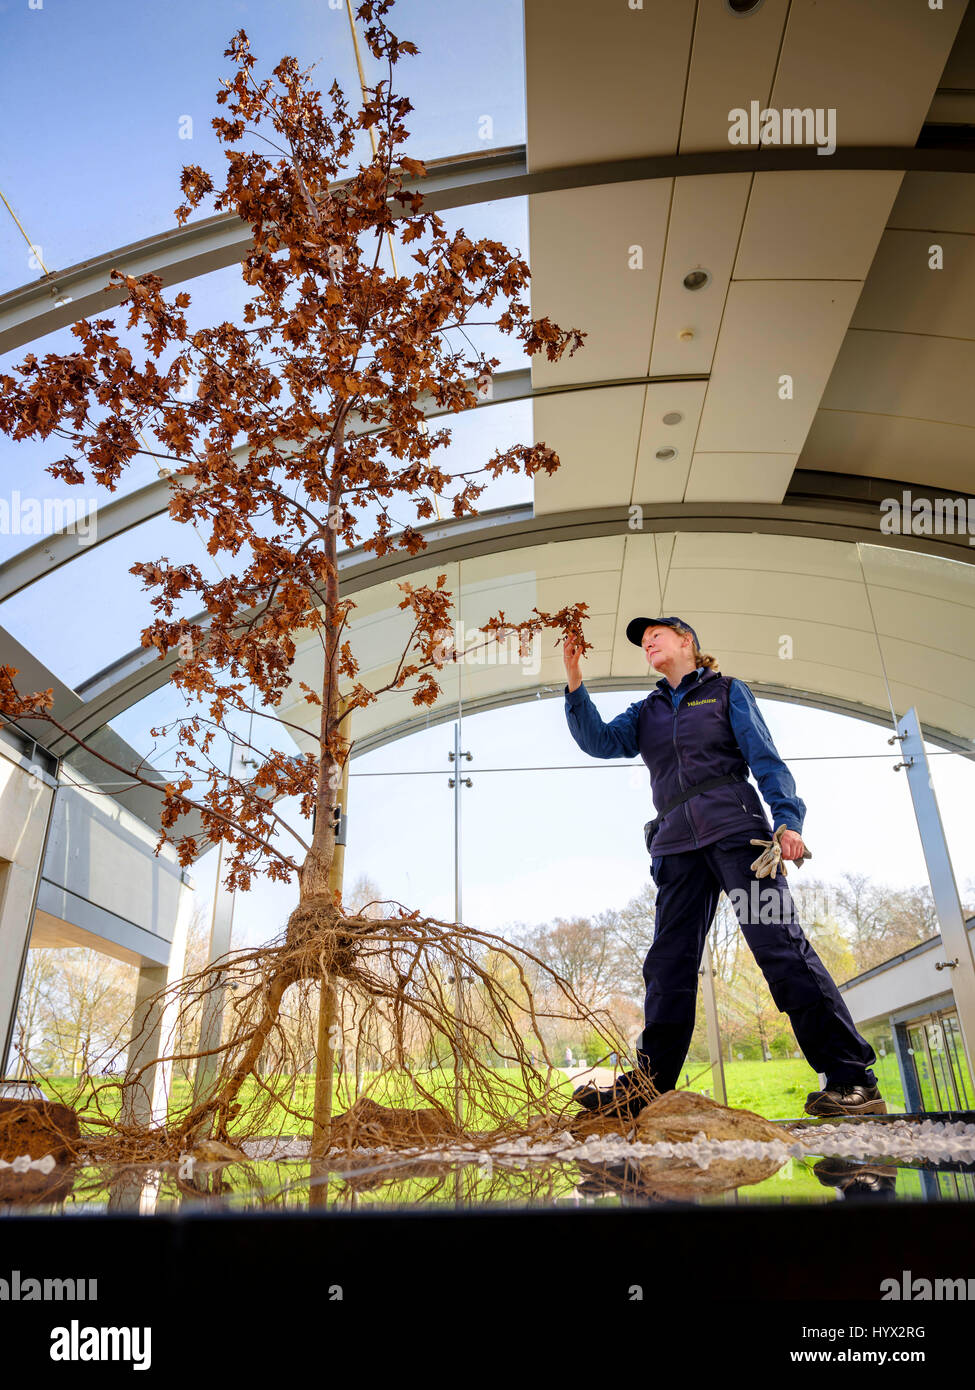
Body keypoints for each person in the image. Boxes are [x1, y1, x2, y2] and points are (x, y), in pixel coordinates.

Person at [562, 615, 884, 1120]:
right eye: (642, 641)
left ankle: (851, 1079)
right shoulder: (644, 711)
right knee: (667, 967)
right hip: (675, 850)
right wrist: (574, 682)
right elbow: (599, 741)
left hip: (741, 839)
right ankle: (646, 1088)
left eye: (656, 635)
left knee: (780, 948)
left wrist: (788, 821)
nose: (647, 642)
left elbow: (766, 760)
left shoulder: (726, 692)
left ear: (687, 642)